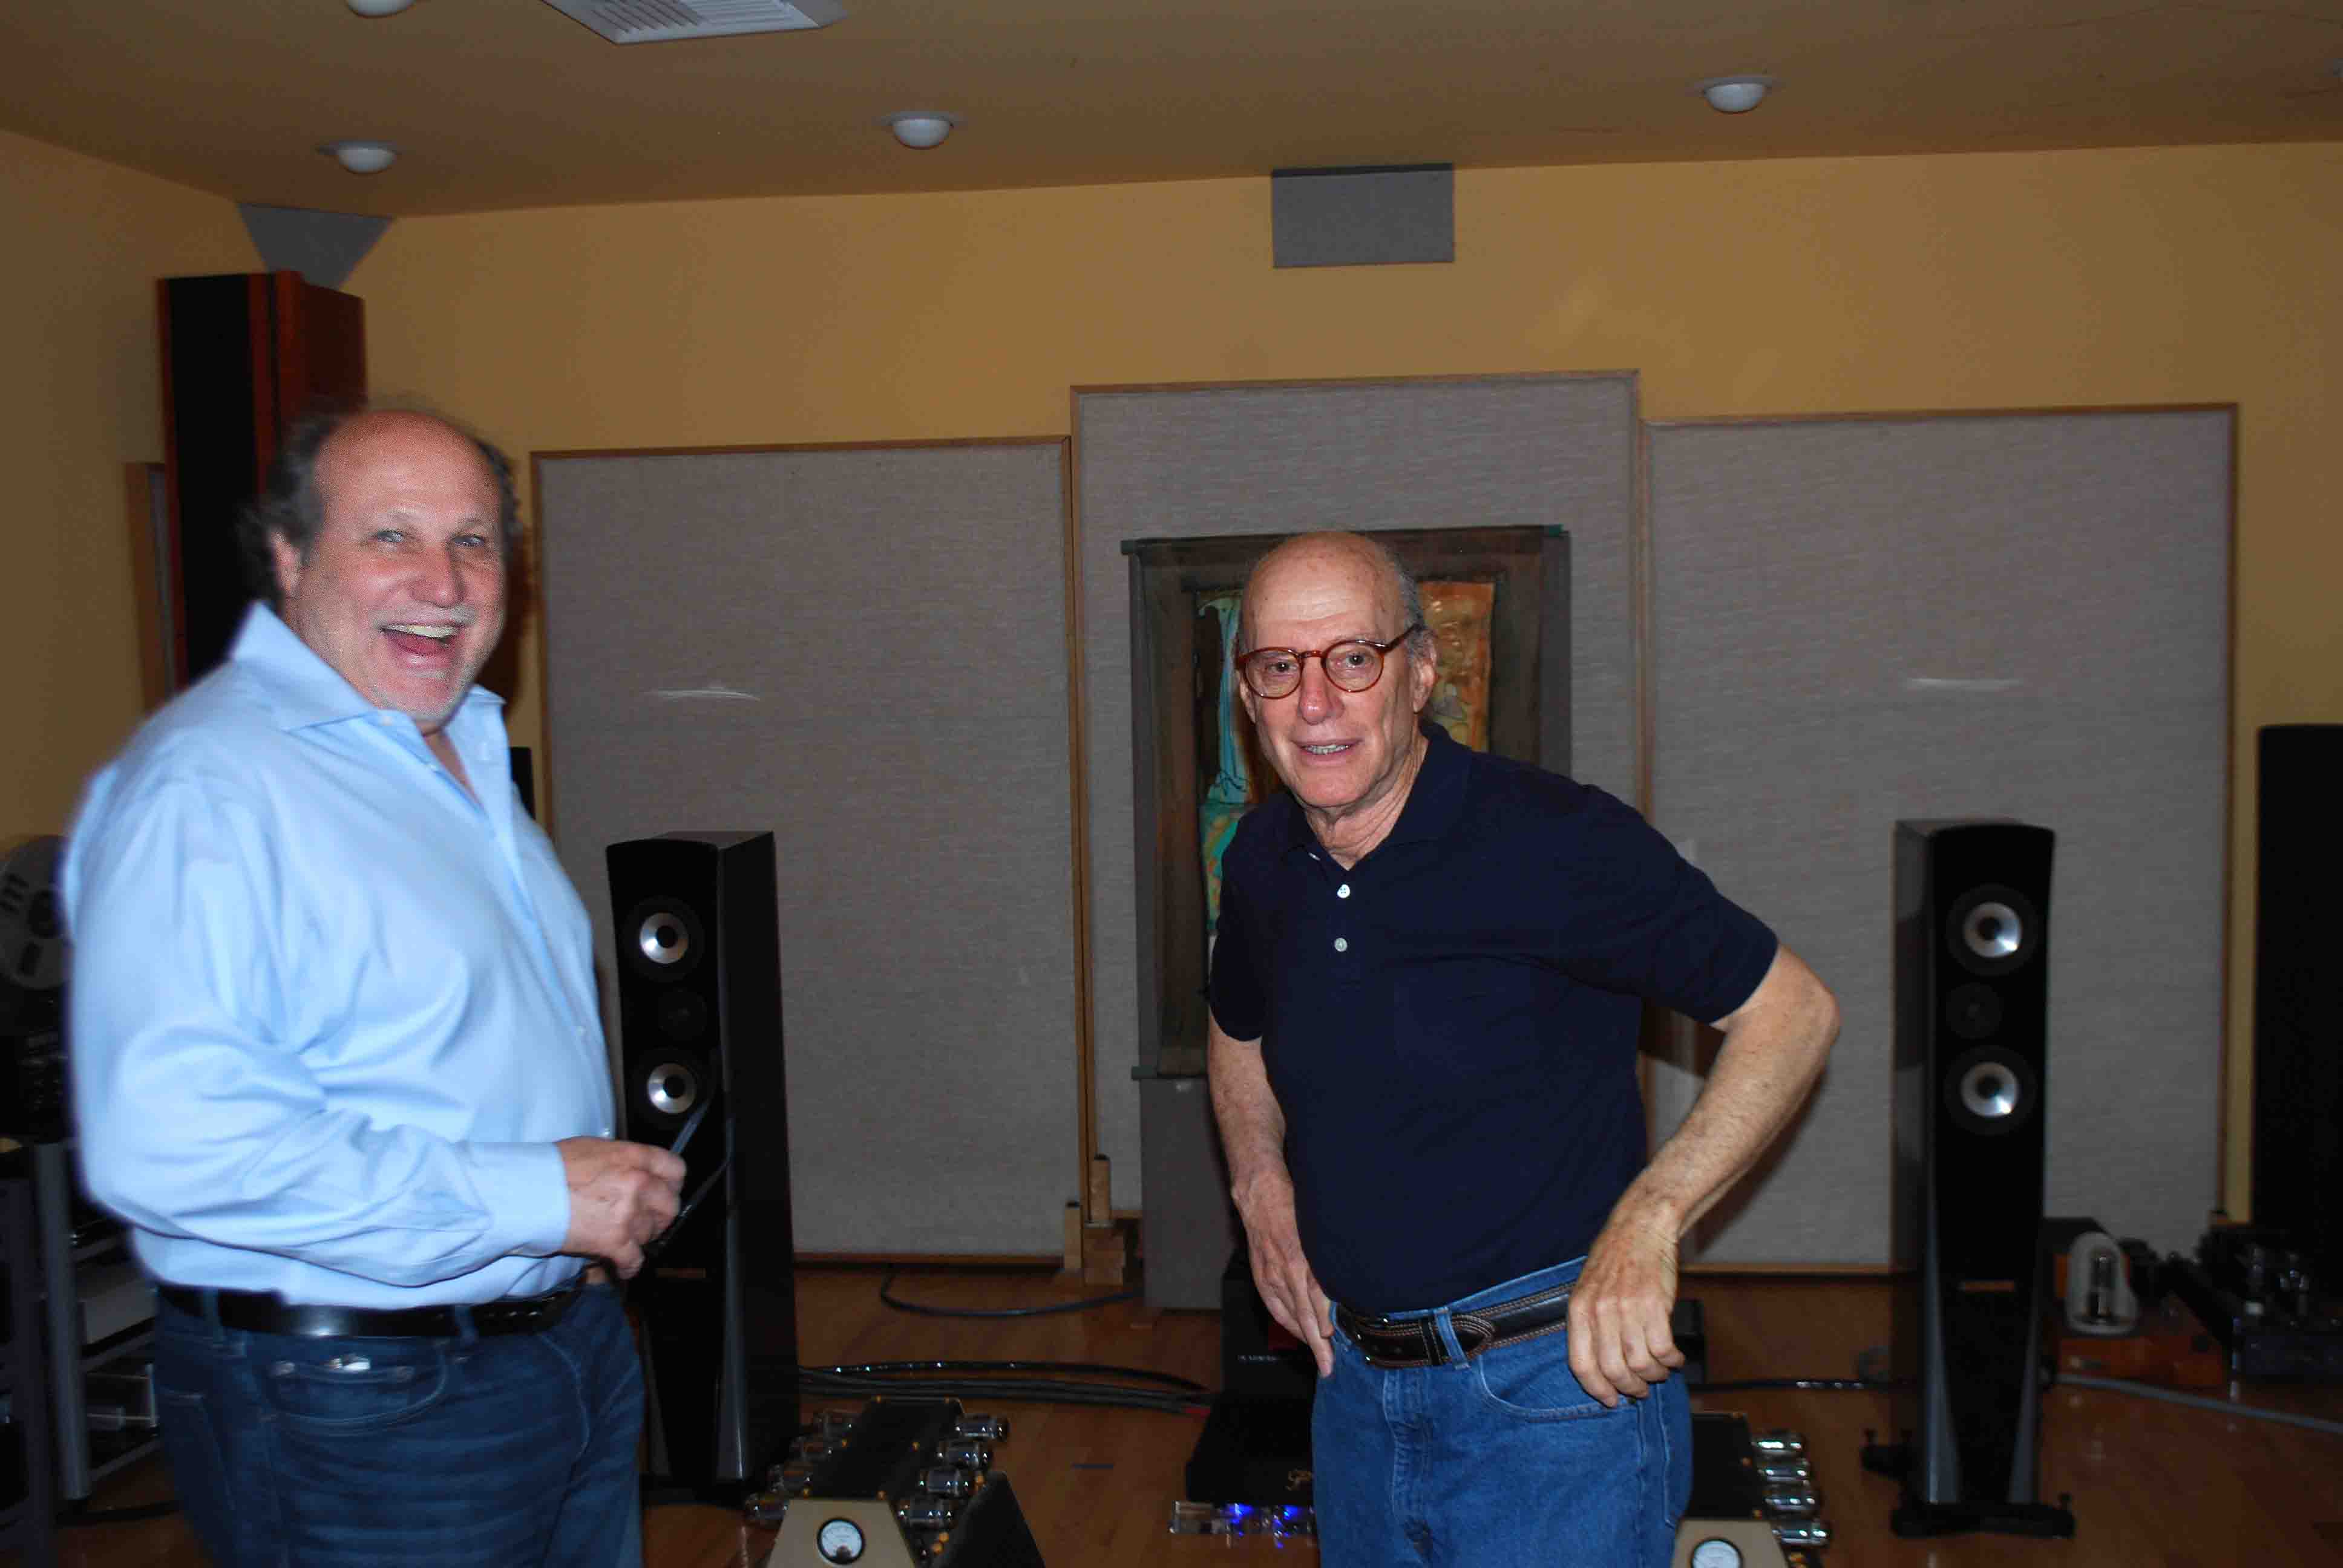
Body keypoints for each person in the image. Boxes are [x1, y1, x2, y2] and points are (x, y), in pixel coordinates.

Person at [62, 407, 685, 1567]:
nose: (442, 584)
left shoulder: (453, 751)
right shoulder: (213, 787)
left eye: (474, 541)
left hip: (554, 1346)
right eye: (390, 535)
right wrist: (532, 1195)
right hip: (357, 1397)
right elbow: (173, 1143)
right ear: (291, 556)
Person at [1207, 531, 1840, 1567]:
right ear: (1249, 694)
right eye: (1280, 666)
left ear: (1420, 673)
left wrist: (1652, 1219)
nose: (1315, 702)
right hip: (1353, 1397)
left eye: (1353, 659)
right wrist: (1259, 1183)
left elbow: (1794, 1013)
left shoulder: (1557, 841)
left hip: (1557, 1404)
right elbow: (1237, 1028)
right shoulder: (1262, 859)